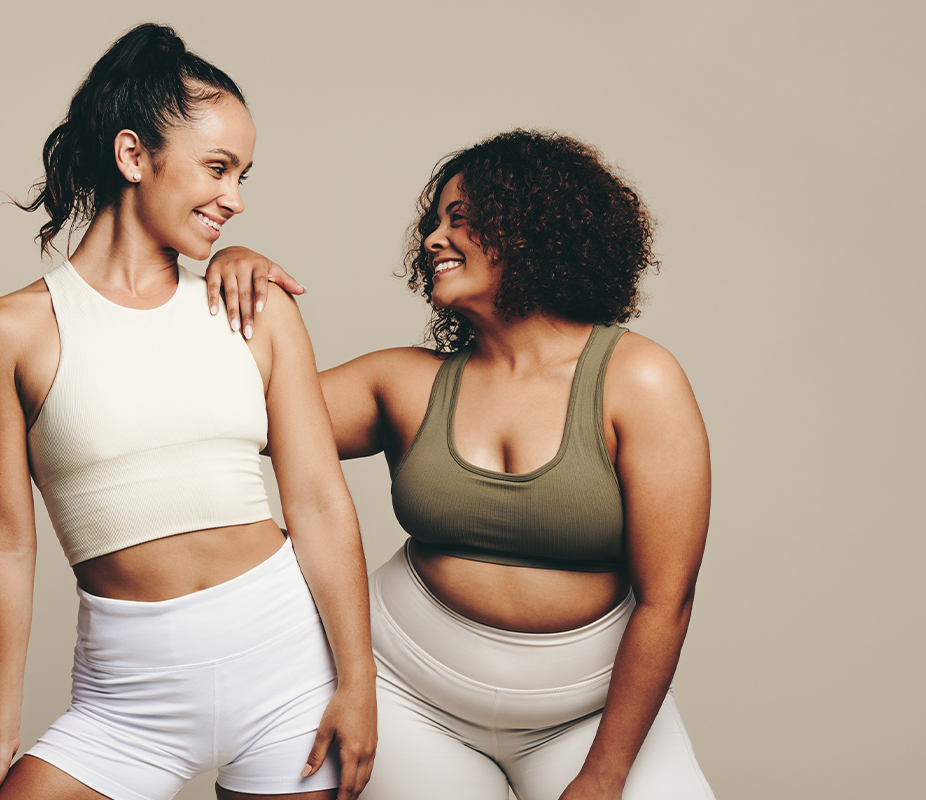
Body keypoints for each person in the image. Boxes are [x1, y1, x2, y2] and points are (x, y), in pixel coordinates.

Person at [206, 129, 715, 799]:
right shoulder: (403, 382)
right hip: (402, 695)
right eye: (434, 222)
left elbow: (667, 600)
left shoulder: (638, 379)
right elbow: (226, 412)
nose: (432, 240)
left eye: (461, 218)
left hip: (591, 716)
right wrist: (235, 277)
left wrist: (605, 774)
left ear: (532, 229)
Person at [0, 24, 376, 800]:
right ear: (133, 156)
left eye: (242, 174)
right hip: (127, 700)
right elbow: (5, 541)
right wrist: (0, 728)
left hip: (289, 675)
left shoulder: (256, 309)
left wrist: (358, 680)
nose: (235, 199)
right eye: (217, 167)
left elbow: (318, 500)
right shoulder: (7, 333)